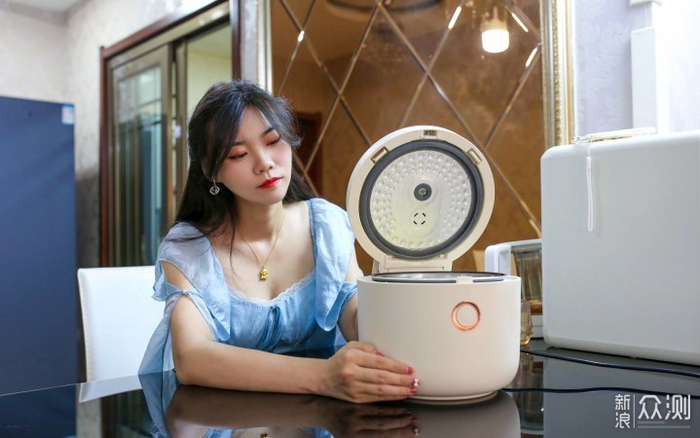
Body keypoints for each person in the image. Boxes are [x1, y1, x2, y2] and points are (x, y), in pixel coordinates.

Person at [139, 80, 418, 403]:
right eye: (238, 154)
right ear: (211, 171)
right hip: (223, 418)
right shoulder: (190, 248)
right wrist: (324, 376)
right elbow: (192, 359)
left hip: (322, 418)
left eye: (273, 141)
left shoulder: (326, 225)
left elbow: (359, 326)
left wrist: (398, 269)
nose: (264, 163)